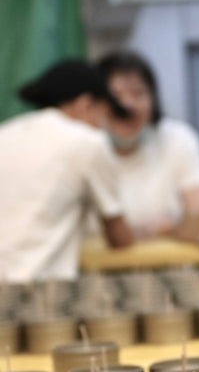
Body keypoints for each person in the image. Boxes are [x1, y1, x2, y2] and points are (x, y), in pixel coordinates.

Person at [0, 60, 133, 281]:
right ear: (85, 104)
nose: (103, 125)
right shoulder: (89, 142)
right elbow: (120, 239)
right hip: (35, 290)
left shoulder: (6, 133)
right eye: (103, 114)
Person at [96, 50, 199, 242]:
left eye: (138, 93)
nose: (127, 105)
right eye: (116, 96)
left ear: (153, 98)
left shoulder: (178, 138)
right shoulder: (83, 148)